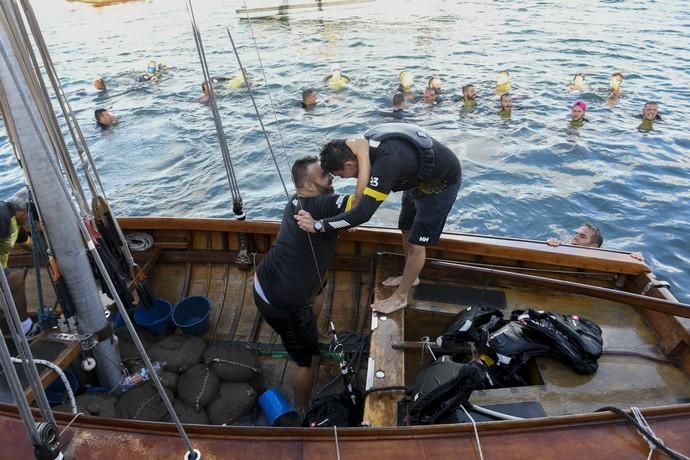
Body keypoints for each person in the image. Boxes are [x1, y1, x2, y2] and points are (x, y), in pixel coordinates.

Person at [296, 123, 462, 314]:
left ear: (349, 164)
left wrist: (319, 226)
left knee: (416, 244)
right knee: (406, 228)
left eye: (342, 176)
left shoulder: (387, 161)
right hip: (415, 181)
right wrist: (349, 217)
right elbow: (361, 196)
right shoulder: (361, 148)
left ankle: (400, 298)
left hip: (440, 186)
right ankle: (411, 276)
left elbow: (364, 214)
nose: (344, 179)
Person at [253, 157, 354, 409]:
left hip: (268, 277)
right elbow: (364, 203)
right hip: (281, 301)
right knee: (306, 359)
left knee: (321, 285)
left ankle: (316, 331)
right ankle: (301, 408)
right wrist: (362, 156)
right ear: (308, 186)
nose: (330, 175)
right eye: (324, 175)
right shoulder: (321, 205)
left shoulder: (297, 201)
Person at [0, 187, 37, 337]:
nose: (30, 220)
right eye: (29, 216)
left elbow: (30, 246)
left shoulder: (14, 223)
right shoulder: (2, 216)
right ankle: (26, 328)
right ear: (22, 210)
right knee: (14, 279)